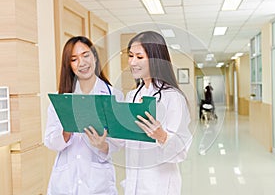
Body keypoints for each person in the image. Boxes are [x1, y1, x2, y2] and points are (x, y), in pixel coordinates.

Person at [44, 36, 123, 195]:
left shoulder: (113, 96)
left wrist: (102, 145)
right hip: (65, 182)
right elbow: (49, 141)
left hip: (99, 183)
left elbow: (119, 141)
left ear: (94, 56)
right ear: (69, 65)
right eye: (74, 59)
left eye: (86, 55)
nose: (82, 63)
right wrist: (66, 131)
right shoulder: (61, 99)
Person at [122, 31, 192, 195]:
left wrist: (162, 136)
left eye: (139, 57)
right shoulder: (132, 96)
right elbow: (127, 140)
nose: (132, 62)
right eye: (130, 56)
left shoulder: (172, 97)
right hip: (134, 183)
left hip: (159, 185)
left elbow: (181, 152)